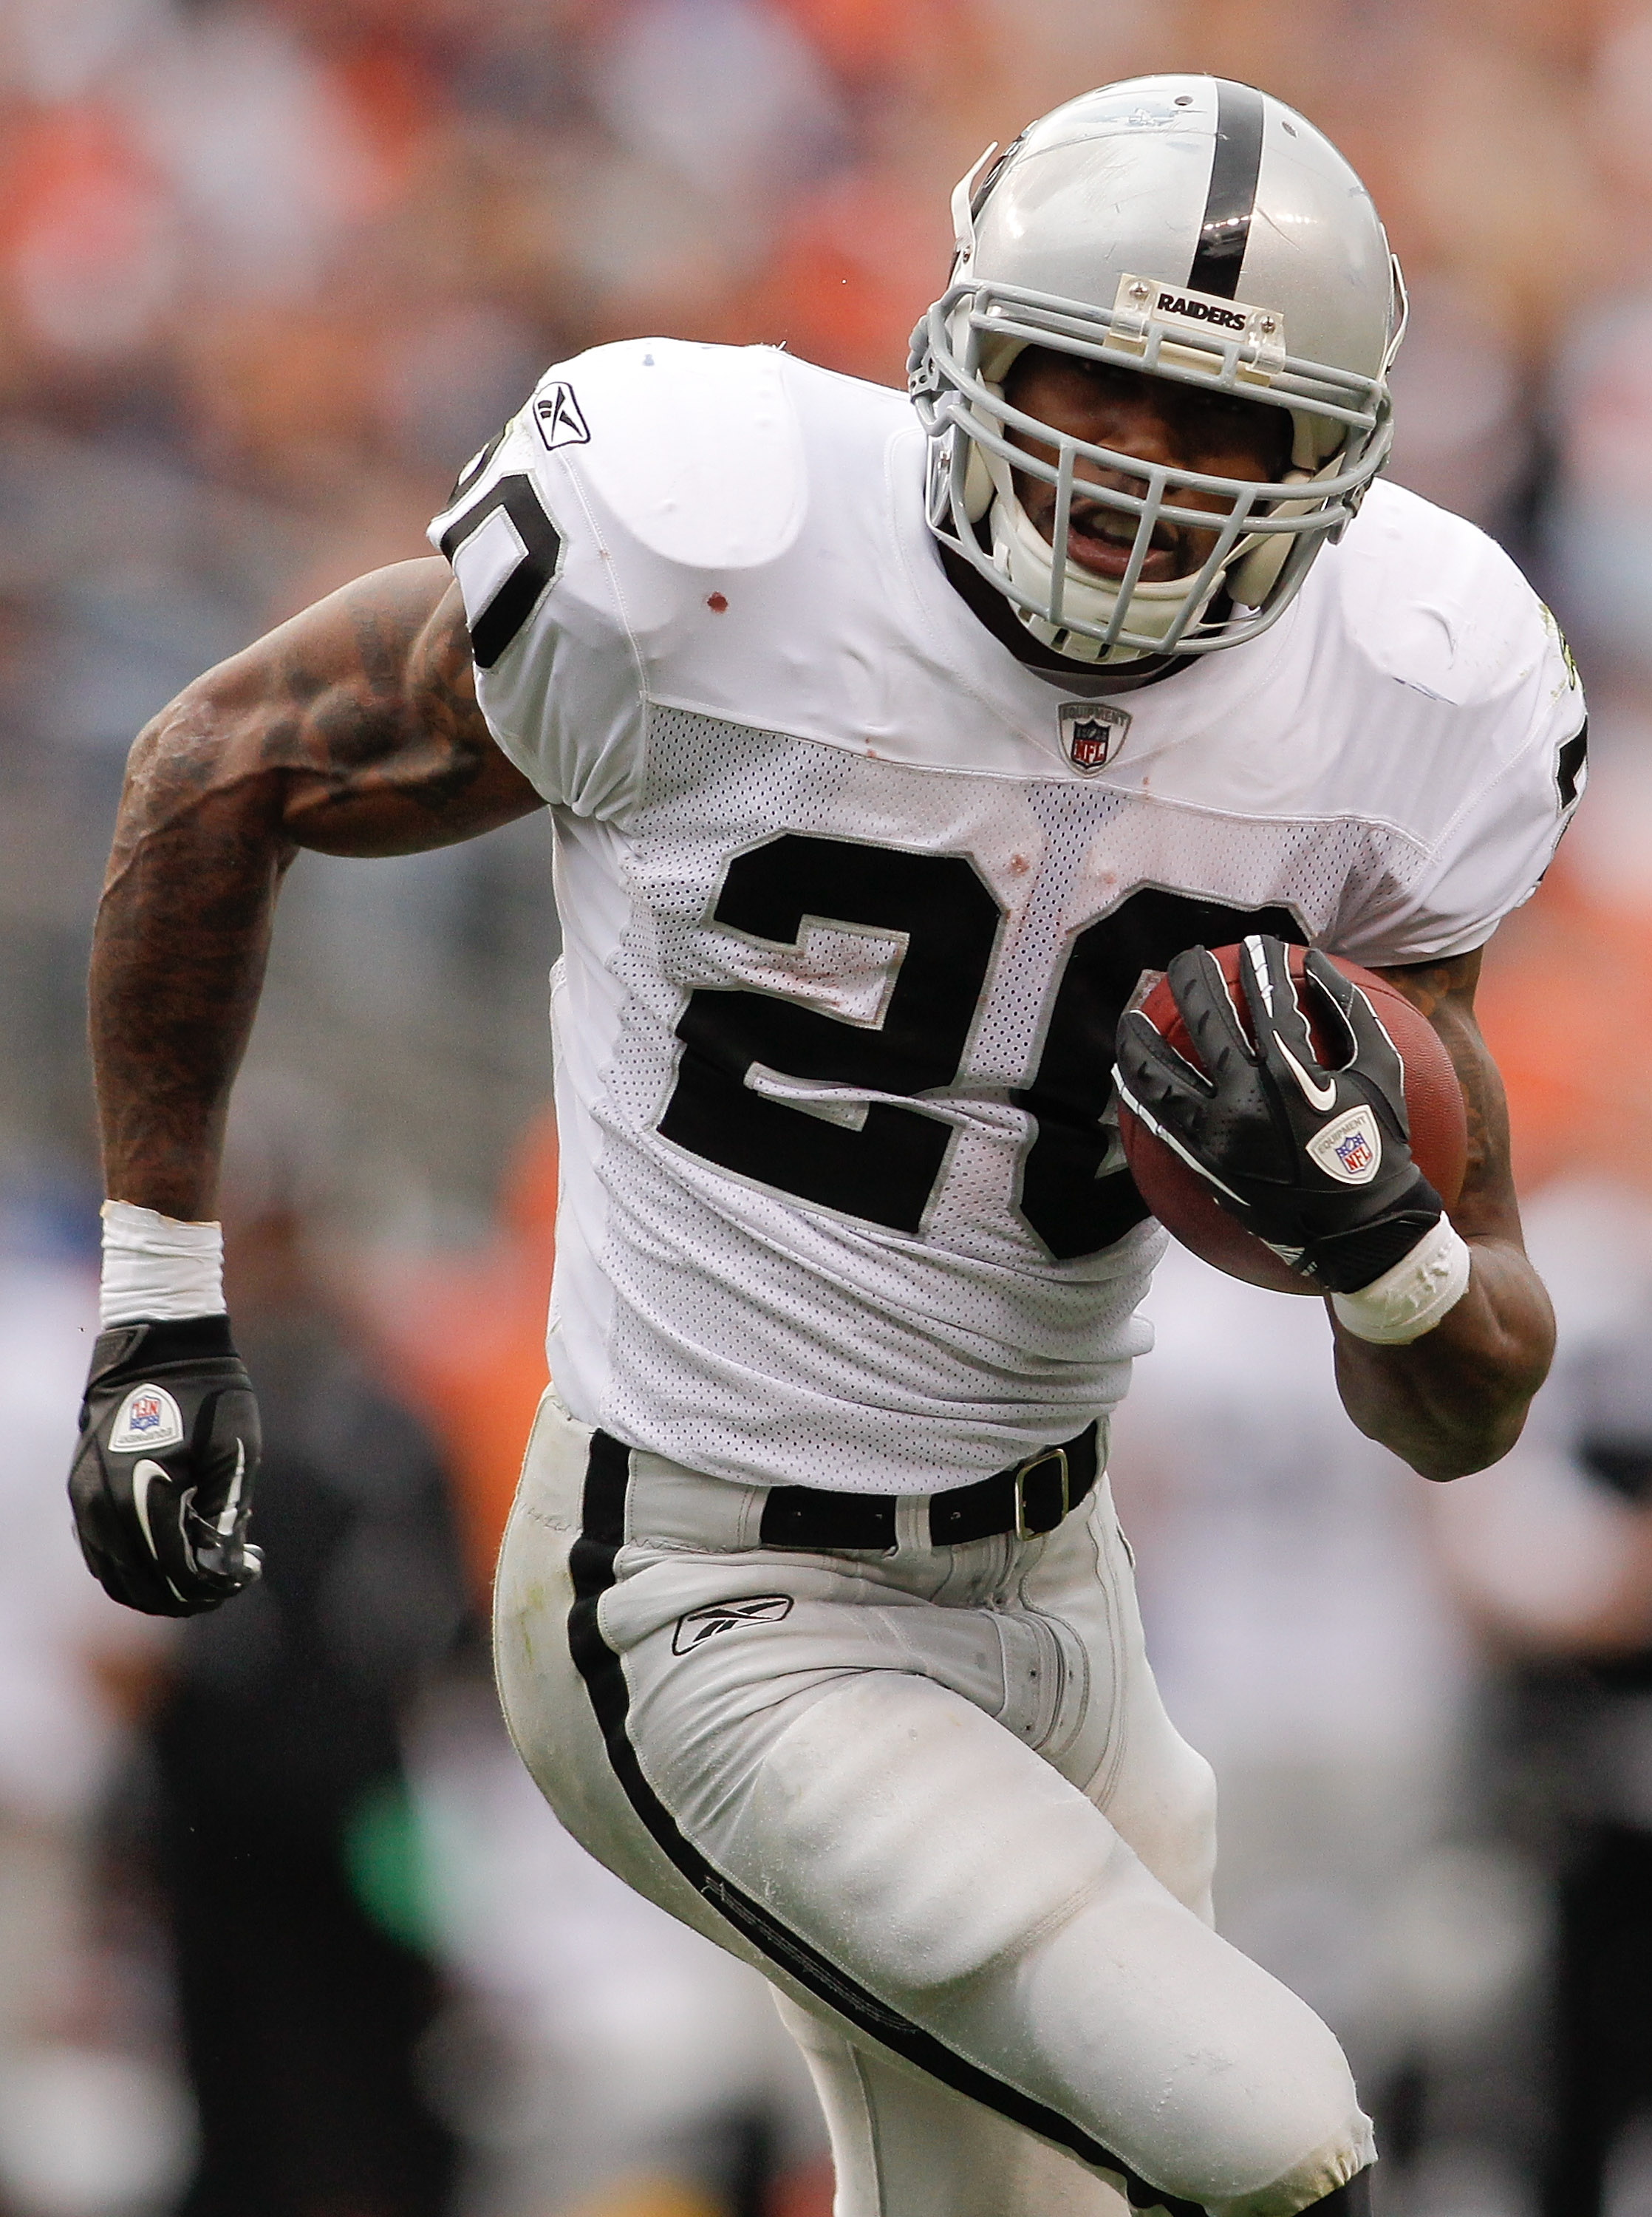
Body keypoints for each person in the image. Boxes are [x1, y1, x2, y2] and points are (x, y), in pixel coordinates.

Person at [66, 75, 1580, 2217]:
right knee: (1272, 2147)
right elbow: (221, 763)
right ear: (966, 345)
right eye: (1096, 381)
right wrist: (159, 1307)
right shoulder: (715, 553)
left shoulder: (1406, 695)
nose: (1143, 468)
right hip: (701, 1589)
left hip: (1058, 1591)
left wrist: (1378, 1238)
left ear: (1330, 467)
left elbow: (1465, 1400)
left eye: (1226, 425)